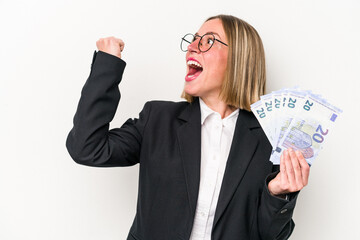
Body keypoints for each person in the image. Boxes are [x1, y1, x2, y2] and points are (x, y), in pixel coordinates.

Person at [66, 14, 310, 240]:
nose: (193, 47)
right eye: (193, 40)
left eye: (208, 41)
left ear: (239, 58)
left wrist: (277, 194)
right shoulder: (157, 119)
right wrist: (107, 66)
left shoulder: (269, 138)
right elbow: (86, 148)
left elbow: (270, 235)